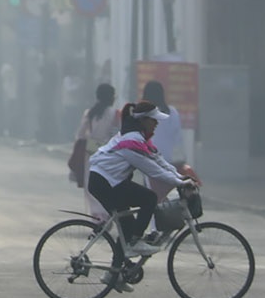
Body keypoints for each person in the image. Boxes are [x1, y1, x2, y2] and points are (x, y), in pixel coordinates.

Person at [85, 111, 189, 268]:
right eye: (154, 120)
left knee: (127, 226)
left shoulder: (139, 139)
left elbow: (159, 160)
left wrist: (181, 178)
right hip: (105, 183)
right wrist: (179, 183)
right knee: (149, 198)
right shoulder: (131, 143)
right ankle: (135, 241)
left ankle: (114, 273)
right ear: (144, 121)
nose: (156, 124)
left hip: (111, 180)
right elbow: (153, 170)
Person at [70, 83, 121, 212]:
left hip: (91, 151)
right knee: (107, 183)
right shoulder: (116, 114)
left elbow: (80, 134)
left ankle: (97, 215)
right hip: (109, 153)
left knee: (91, 185)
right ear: (112, 97)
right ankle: (106, 212)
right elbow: (118, 134)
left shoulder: (90, 113)